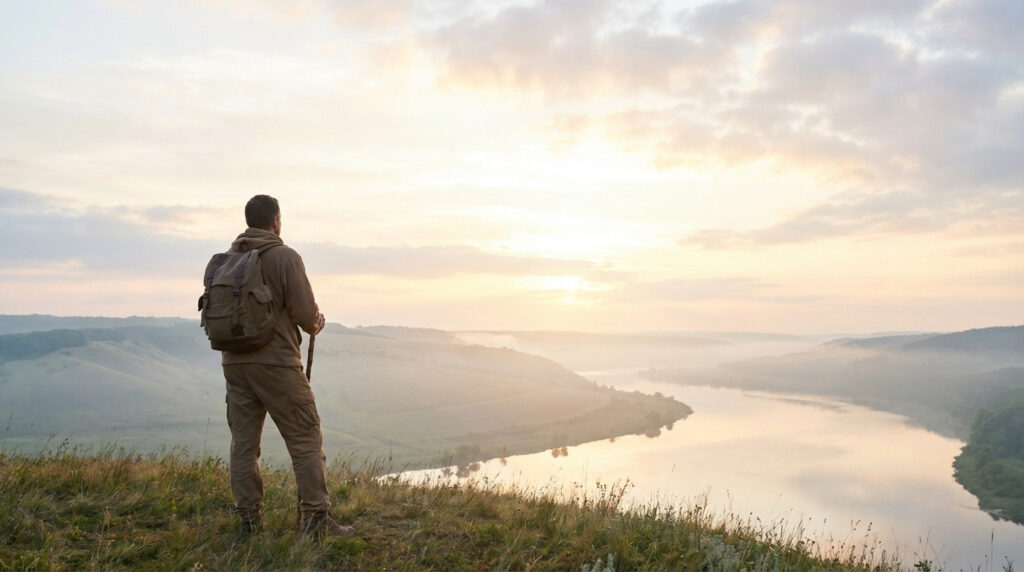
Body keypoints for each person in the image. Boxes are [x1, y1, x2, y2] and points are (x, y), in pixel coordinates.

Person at [220, 194, 350, 537]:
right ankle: (316, 519)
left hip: (234, 363)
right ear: (276, 220)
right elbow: (306, 316)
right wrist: (317, 322)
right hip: (275, 363)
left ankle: (249, 522)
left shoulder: (227, 259)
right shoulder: (285, 257)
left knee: (244, 445)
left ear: (249, 221)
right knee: (306, 437)